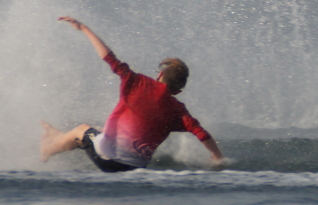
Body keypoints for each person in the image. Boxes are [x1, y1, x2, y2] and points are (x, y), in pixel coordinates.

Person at [39, 16, 225, 171]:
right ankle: (57, 137)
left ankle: (48, 149)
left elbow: (108, 57)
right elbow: (202, 135)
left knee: (82, 130)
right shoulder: (179, 111)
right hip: (136, 169)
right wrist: (217, 157)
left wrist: (83, 28)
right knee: (99, 133)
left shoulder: (138, 82)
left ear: (160, 74)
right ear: (178, 91)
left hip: (110, 160)